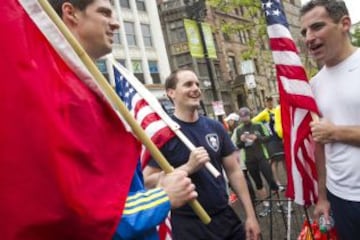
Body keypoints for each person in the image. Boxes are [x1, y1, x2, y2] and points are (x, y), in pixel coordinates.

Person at [49, 1, 198, 239]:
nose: (116, 23)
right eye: (104, 12)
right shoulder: (60, 97)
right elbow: (83, 214)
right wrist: (161, 198)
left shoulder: (84, 91)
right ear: (71, 13)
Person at [143, 69, 260, 240]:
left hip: (225, 217)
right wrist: (188, 167)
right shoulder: (164, 133)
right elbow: (148, 181)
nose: (196, 88)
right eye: (188, 84)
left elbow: (234, 171)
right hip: (188, 226)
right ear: (171, 93)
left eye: (197, 84)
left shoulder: (215, 127)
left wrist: (251, 216)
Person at [300, 0, 360, 239]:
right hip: (340, 198)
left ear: (344, 23)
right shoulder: (313, 85)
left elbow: (328, 133)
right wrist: (323, 197)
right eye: (304, 32)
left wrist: (336, 132)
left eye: (317, 27)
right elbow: (319, 146)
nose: (309, 37)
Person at [232, 107, 279, 217]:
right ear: (240, 118)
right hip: (249, 160)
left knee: (270, 179)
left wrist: (257, 137)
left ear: (250, 115)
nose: (245, 118)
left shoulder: (258, 125)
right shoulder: (239, 130)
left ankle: (280, 203)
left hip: (261, 157)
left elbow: (269, 137)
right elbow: (237, 146)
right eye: (242, 116)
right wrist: (242, 141)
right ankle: (266, 205)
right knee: (258, 183)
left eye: (246, 115)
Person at [252, 97, 286, 192]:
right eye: (268, 101)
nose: (270, 103)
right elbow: (253, 121)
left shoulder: (276, 110)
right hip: (271, 140)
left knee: (285, 160)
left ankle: (290, 181)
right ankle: (277, 183)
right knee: (274, 161)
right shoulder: (264, 113)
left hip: (280, 138)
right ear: (265, 103)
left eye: (271, 101)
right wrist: (261, 131)